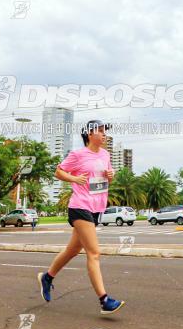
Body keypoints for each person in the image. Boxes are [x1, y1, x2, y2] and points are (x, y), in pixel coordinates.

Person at [38, 120, 124, 314]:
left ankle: (47, 277)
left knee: (72, 250)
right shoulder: (78, 154)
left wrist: (111, 175)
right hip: (80, 206)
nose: (104, 135)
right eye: (100, 131)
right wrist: (74, 178)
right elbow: (58, 171)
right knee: (94, 253)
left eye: (105, 132)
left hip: (96, 207)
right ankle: (104, 300)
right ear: (89, 134)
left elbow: (107, 177)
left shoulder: (105, 154)